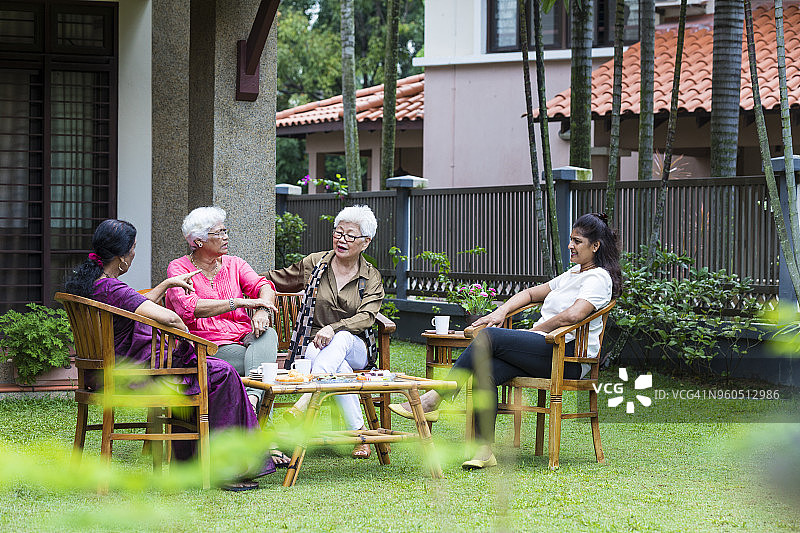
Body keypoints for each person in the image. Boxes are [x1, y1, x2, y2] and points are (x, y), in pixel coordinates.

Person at [389, 213, 622, 469]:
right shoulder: (573, 274)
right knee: (485, 370)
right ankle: (484, 451)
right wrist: (499, 312)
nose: (570, 246)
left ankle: (436, 397)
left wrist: (537, 329)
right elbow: (530, 293)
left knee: (489, 336)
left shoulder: (598, 278)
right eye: (570, 240)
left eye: (577, 241)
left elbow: (574, 315)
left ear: (595, 246)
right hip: (545, 349)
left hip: (568, 358)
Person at [64, 219, 274, 491]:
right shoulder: (113, 289)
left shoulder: (94, 285)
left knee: (207, 371)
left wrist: (166, 285)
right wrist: (189, 337)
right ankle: (229, 468)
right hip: (134, 377)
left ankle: (190, 466)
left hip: (104, 375)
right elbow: (170, 318)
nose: (134, 253)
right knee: (222, 373)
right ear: (122, 257)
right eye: (133, 248)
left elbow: (136, 304)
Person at [265, 205, 384, 459]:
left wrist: (334, 327)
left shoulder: (371, 277)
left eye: (350, 235)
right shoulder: (315, 263)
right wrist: (238, 277)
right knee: (338, 368)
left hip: (356, 347)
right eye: (338, 233)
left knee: (341, 339)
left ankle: (305, 401)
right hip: (315, 348)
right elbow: (277, 278)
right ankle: (360, 434)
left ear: (366, 242)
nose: (342, 240)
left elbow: (366, 317)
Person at [165, 207, 279, 413]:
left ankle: (252, 401)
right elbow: (190, 307)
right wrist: (239, 302)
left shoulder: (235, 264)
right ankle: (258, 418)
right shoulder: (179, 268)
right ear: (198, 241)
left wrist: (263, 310)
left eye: (225, 231)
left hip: (244, 338)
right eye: (219, 233)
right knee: (261, 364)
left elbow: (264, 286)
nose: (226, 237)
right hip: (205, 345)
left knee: (268, 334)